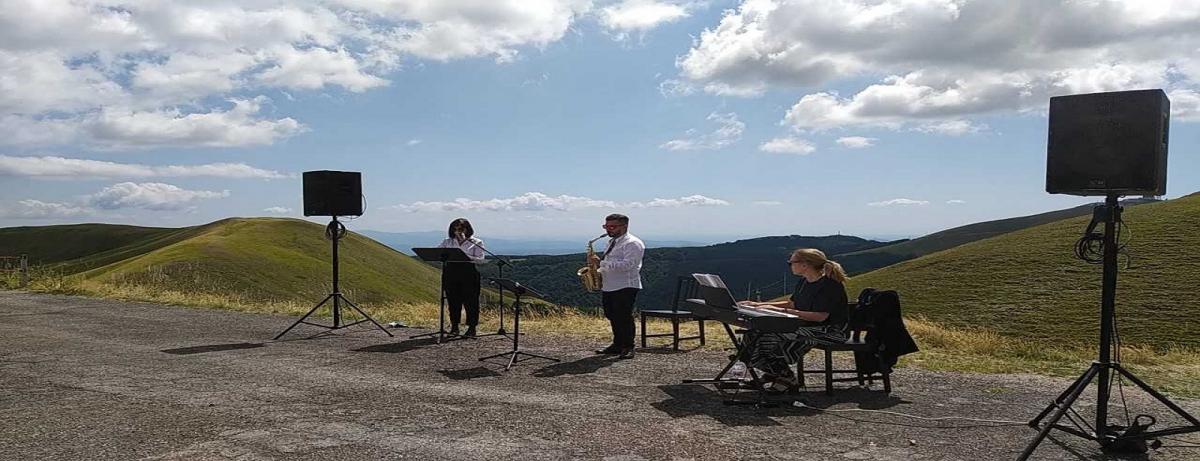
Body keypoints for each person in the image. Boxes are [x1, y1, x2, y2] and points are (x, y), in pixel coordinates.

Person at [742, 248, 849, 391]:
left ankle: (785, 377)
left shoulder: (830, 286)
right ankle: (775, 373)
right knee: (753, 334)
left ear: (805, 265)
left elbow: (820, 316)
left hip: (830, 331)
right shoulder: (804, 282)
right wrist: (758, 305)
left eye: (792, 262)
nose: (790, 265)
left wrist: (782, 311)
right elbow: (792, 303)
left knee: (769, 336)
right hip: (807, 326)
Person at [590, 213, 644, 359]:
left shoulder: (632, 243)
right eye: (606, 226)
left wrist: (601, 263)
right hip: (609, 285)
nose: (608, 230)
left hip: (625, 285)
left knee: (623, 316)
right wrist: (597, 272)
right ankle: (617, 344)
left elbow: (628, 265)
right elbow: (611, 262)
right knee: (612, 315)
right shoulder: (612, 242)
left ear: (624, 226)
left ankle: (628, 347)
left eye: (612, 227)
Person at [437, 218, 486, 337]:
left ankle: (472, 328)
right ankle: (454, 326)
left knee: (471, 301)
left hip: (468, 272)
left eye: (461, 228)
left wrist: (465, 255)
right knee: (453, 300)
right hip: (451, 272)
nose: (457, 231)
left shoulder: (476, 242)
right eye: (455, 228)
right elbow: (437, 252)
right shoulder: (447, 241)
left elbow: (481, 259)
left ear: (467, 229)